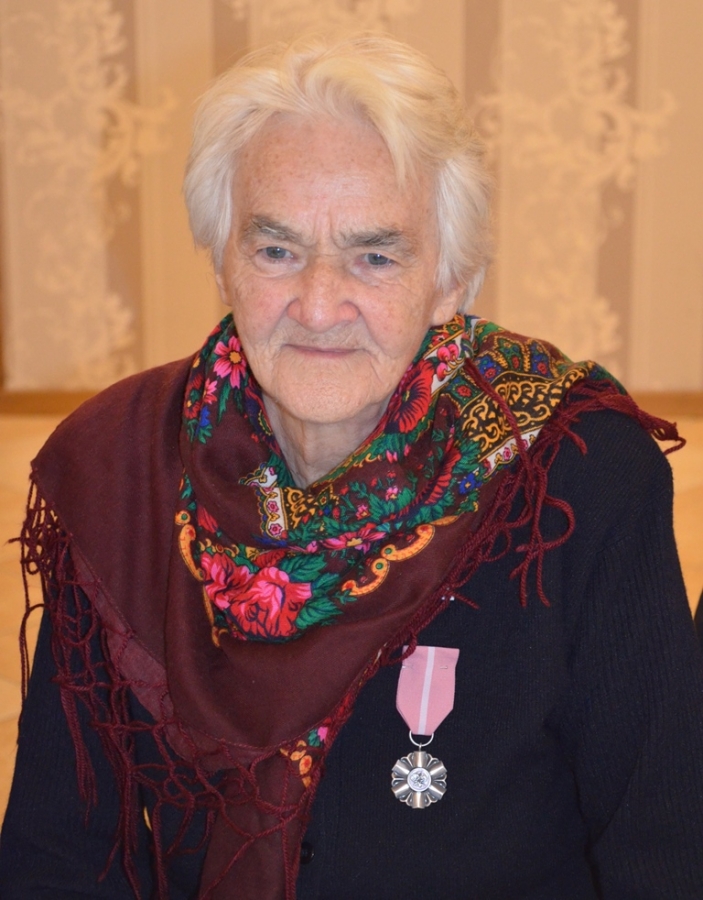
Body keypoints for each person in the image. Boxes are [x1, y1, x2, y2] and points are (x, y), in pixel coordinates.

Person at [1, 32, 703, 900]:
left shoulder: (576, 472)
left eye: (374, 256)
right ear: (221, 261)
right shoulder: (120, 470)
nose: (319, 304)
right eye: (276, 251)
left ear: (450, 281)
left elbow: (663, 845)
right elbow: (60, 856)